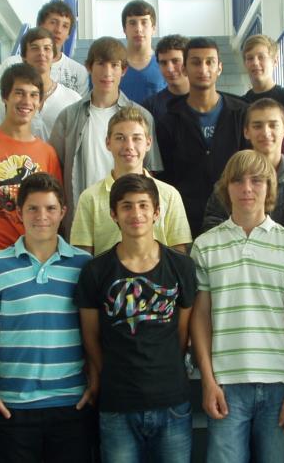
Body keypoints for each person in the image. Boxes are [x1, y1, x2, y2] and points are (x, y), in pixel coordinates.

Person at [191, 150, 284, 463]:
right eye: (238, 180)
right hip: (225, 385)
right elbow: (200, 318)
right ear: (225, 188)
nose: (247, 188)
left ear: (269, 187)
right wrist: (207, 381)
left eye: (256, 180)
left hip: (279, 385)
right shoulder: (204, 246)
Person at [75, 174, 196, 463]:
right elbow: (90, 337)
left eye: (143, 205)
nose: (136, 213)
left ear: (157, 212)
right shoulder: (95, 271)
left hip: (172, 401)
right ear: (113, 214)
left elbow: (183, 332)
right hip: (118, 403)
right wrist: (108, 374)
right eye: (126, 206)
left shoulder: (181, 266)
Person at [0, 172, 95, 463]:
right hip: (13, 405)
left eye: (50, 208)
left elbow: (93, 331)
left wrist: (95, 382)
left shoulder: (84, 266)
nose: (41, 216)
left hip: (71, 403)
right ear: (19, 212)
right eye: (32, 208)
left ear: (63, 212)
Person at [50, 36, 162, 237]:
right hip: (83, 219)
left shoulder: (142, 117)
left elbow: (150, 172)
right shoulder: (68, 117)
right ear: (89, 67)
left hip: (130, 219)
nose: (107, 72)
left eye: (114, 65)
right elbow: (55, 172)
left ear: (124, 70)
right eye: (101, 63)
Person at [0, 63, 63, 258]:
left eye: (34, 95)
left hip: (35, 258)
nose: (27, 101)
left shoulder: (48, 153)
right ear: (4, 97)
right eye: (19, 93)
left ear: (40, 102)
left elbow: (55, 210)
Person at [157, 37, 248, 237]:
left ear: (220, 68)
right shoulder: (169, 120)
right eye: (196, 62)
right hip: (185, 221)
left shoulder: (241, 114)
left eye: (210, 62)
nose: (203, 69)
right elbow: (165, 178)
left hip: (234, 217)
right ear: (184, 69)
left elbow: (249, 167)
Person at [202, 98, 284, 247]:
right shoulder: (228, 184)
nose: (265, 132)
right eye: (257, 126)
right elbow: (212, 232)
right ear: (246, 132)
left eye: (273, 125)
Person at [71, 106, 191, 256]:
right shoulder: (89, 198)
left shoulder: (170, 195)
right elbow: (82, 257)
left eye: (136, 138)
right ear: (108, 143)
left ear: (148, 143)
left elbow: (179, 255)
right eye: (120, 138)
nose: (129, 146)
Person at [0, 27, 81, 140]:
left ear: (54, 56)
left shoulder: (72, 100)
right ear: (24, 57)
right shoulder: (7, 96)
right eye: (35, 48)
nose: (41, 53)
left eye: (47, 48)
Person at [0, 0, 88, 96]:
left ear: (68, 35)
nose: (58, 30)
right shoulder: (12, 64)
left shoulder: (78, 72)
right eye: (53, 22)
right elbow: (2, 102)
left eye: (65, 26)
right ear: (39, 25)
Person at [118, 0, 166, 103]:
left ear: (153, 28)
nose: (138, 29)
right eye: (132, 23)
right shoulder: (114, 66)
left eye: (144, 22)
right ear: (124, 29)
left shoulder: (165, 65)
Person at [141, 34, 190, 122]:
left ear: (189, 61)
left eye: (175, 61)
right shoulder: (150, 106)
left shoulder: (208, 100)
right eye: (163, 63)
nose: (170, 69)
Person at [241, 34, 284, 110]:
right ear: (245, 64)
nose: (255, 63)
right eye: (250, 58)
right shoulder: (241, 104)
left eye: (261, 57)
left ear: (275, 61)